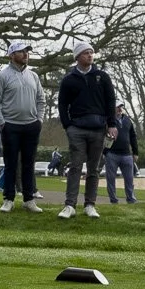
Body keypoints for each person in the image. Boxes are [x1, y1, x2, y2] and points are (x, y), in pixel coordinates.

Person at [55, 44, 116, 220]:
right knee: (75, 166)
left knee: (93, 169)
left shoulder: (102, 77)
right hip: (77, 129)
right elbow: (62, 104)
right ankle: (69, 205)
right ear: (77, 57)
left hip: (98, 129)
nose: (90, 55)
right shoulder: (69, 79)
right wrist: (68, 125)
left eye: (91, 52)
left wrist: (111, 124)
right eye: (85, 53)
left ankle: (90, 204)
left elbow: (110, 101)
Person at [0, 42, 44, 214]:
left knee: (28, 164)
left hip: (31, 125)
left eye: (27, 51)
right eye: (21, 51)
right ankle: (8, 199)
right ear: (11, 55)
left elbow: (41, 100)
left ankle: (29, 199)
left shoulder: (33, 76)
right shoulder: (2, 76)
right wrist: (2, 122)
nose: (26, 54)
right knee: (11, 164)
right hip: (10, 125)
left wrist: (39, 120)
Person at [103, 104, 139, 205]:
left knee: (129, 179)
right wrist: (105, 152)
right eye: (117, 106)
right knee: (110, 180)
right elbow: (101, 136)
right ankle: (113, 200)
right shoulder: (107, 120)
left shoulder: (127, 120)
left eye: (121, 107)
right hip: (112, 154)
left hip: (127, 155)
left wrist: (135, 152)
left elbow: (133, 136)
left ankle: (131, 199)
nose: (120, 109)